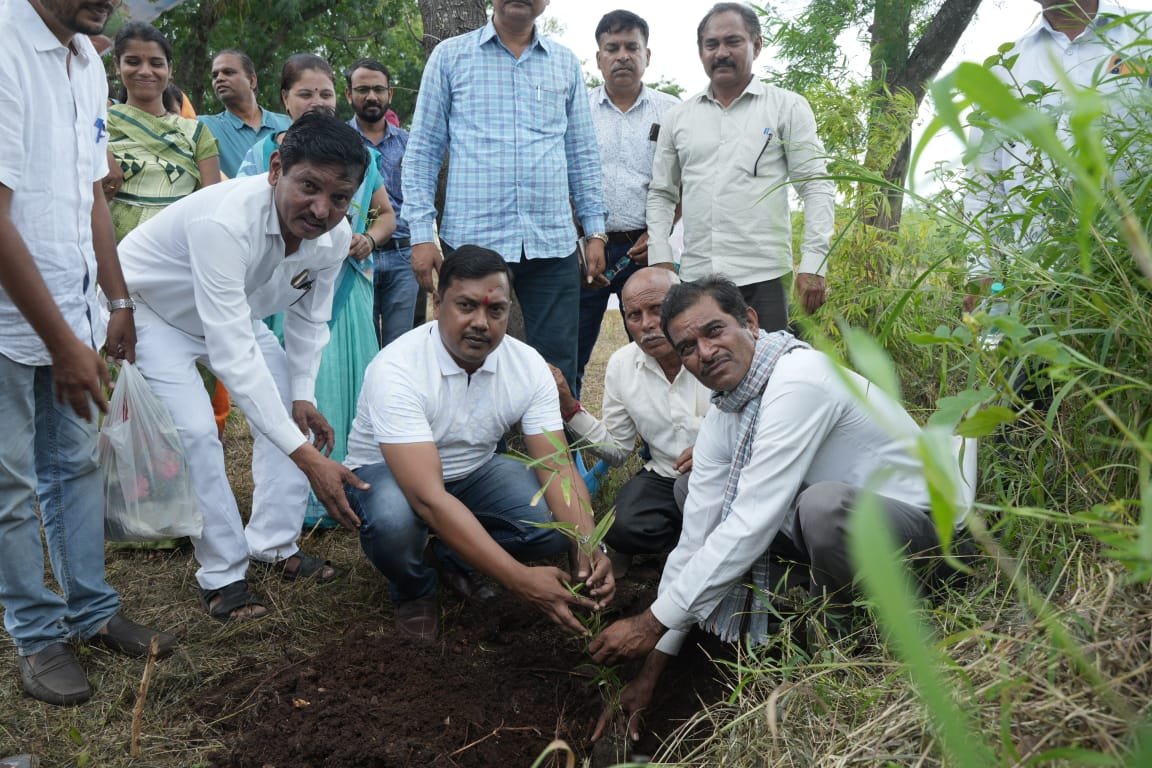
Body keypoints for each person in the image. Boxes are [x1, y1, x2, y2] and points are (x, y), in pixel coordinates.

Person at [588, 276, 965, 738]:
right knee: (690, 492)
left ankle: (848, 641)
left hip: (930, 538)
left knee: (823, 508)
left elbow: (751, 522)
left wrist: (650, 622)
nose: (703, 353)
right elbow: (693, 542)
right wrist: (649, 673)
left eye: (713, 331)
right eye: (687, 346)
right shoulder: (728, 411)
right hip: (839, 538)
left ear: (749, 321)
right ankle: (814, 598)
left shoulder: (799, 379)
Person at [116, 111, 373, 621]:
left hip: (236, 312)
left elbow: (308, 318)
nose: (322, 210)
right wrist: (308, 458)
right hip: (154, 312)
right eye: (309, 187)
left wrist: (302, 394)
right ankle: (224, 576)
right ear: (277, 168)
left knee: (289, 415)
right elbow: (232, 355)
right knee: (195, 434)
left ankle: (275, 546)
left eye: (339, 198)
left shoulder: (335, 237)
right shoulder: (226, 222)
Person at [0, 0, 176, 707]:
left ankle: (91, 609)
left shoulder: (81, 58)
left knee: (74, 465)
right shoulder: (7, 47)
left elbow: (90, 195)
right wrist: (61, 343)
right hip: (12, 325)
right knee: (9, 486)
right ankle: (37, 636)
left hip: (70, 312)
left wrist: (116, 300)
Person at [343, 246, 615, 641]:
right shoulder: (396, 368)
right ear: (438, 304)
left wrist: (589, 544)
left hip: (475, 469)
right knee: (393, 521)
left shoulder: (528, 366)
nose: (481, 323)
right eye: (466, 306)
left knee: (554, 526)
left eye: (495, 310)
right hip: (393, 476)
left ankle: (451, 558)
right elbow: (428, 498)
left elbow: (556, 465)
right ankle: (414, 590)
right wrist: (519, 579)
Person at [402, 0, 609, 388]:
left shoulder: (564, 63)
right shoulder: (450, 56)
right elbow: (423, 151)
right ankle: (476, 448)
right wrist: (420, 234)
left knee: (558, 361)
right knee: (468, 352)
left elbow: (581, 152)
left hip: (552, 242)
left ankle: (556, 446)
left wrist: (594, 230)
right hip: (472, 238)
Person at [236, 54, 396, 528]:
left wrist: (368, 238)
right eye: (305, 93)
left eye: (325, 93)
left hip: (348, 284)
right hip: (283, 288)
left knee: (351, 384)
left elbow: (385, 213)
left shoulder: (356, 155)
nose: (317, 101)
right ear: (283, 98)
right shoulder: (262, 156)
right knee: (300, 385)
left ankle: (358, 487)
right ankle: (302, 501)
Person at [646, 2, 835, 330]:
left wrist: (814, 264)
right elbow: (662, 193)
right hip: (697, 279)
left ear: (756, 45)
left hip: (765, 278)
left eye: (733, 41)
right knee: (705, 373)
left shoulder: (786, 107)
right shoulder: (679, 118)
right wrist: (659, 258)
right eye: (711, 44)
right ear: (700, 51)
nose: (721, 52)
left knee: (773, 375)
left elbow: (815, 185)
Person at [962, 0, 1150, 311]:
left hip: (1135, 280)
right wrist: (980, 267)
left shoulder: (1143, 35)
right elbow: (983, 182)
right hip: (1034, 289)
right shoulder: (1004, 67)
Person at [557, 268, 710, 575]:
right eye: (634, 315)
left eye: (657, 310)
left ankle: (700, 549)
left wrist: (716, 448)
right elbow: (617, 450)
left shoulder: (713, 350)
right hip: (667, 473)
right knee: (622, 526)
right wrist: (569, 407)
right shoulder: (622, 365)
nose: (647, 325)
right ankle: (690, 544)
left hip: (726, 472)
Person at [573, 10, 681, 397]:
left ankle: (661, 444)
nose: (622, 56)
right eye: (612, 48)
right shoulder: (577, 111)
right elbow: (564, 180)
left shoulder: (671, 111)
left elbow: (683, 182)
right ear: (599, 57)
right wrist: (584, 240)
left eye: (631, 47)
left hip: (647, 249)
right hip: (586, 251)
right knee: (575, 347)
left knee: (662, 345)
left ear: (647, 55)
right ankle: (566, 442)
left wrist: (660, 233)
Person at [102, 23, 221, 241]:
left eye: (156, 63)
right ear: (116, 66)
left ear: (170, 70)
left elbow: (212, 207)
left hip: (177, 254)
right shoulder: (97, 127)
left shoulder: (196, 132)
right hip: (111, 254)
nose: (145, 71)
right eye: (133, 62)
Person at [344, 58, 415, 348]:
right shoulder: (340, 142)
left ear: (390, 94)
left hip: (403, 257)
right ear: (349, 95)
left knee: (402, 346)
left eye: (378, 89)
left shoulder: (410, 143)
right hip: (355, 255)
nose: (371, 96)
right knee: (363, 343)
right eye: (362, 89)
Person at [198, 48, 291, 178]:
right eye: (215, 75)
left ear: (252, 81)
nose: (219, 78)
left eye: (228, 72)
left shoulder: (289, 124)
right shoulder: (203, 126)